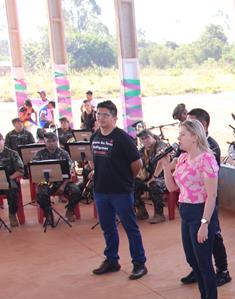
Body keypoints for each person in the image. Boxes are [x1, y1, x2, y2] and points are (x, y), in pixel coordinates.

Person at [157, 119, 222, 299]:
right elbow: (172, 188)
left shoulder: (207, 160)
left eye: (183, 134)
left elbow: (211, 196)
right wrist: (167, 168)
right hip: (185, 211)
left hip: (201, 212)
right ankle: (203, 297)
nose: (179, 138)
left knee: (204, 262)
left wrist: (205, 223)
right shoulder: (183, 158)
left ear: (195, 136)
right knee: (192, 260)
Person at [89, 100, 147, 280]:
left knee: (130, 227)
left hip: (121, 191)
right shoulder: (95, 136)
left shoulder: (123, 138)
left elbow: (137, 164)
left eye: (105, 114)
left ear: (114, 117)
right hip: (100, 190)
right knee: (107, 227)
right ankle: (112, 260)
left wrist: (126, 179)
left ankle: (139, 263)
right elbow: (96, 160)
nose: (101, 118)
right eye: (98, 114)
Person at [184, 108, 232, 286]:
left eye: (191, 123)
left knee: (213, 234)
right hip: (191, 201)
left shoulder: (211, 146)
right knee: (193, 238)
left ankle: (223, 270)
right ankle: (198, 268)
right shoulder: (189, 145)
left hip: (207, 199)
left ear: (202, 125)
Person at [32, 132, 81, 222]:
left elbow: (70, 172)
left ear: (57, 141)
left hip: (63, 182)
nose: (52, 143)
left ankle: (70, 210)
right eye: (49, 141)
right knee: (40, 194)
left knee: (77, 191)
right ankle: (48, 214)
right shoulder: (39, 154)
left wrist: (62, 186)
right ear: (45, 142)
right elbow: (34, 172)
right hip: (47, 183)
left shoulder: (64, 153)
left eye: (54, 141)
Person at [134, 129, 168, 224]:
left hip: (164, 178)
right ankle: (142, 211)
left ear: (152, 137)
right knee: (131, 184)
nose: (145, 140)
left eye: (147, 137)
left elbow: (162, 161)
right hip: (148, 178)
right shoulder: (142, 151)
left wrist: (154, 177)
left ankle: (159, 214)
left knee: (154, 184)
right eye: (142, 139)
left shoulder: (160, 145)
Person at [0, 133, 25, 227]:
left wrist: (7, 178)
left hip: (9, 179)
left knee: (13, 190)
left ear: (3, 141)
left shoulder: (12, 153)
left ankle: (12, 214)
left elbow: (20, 171)